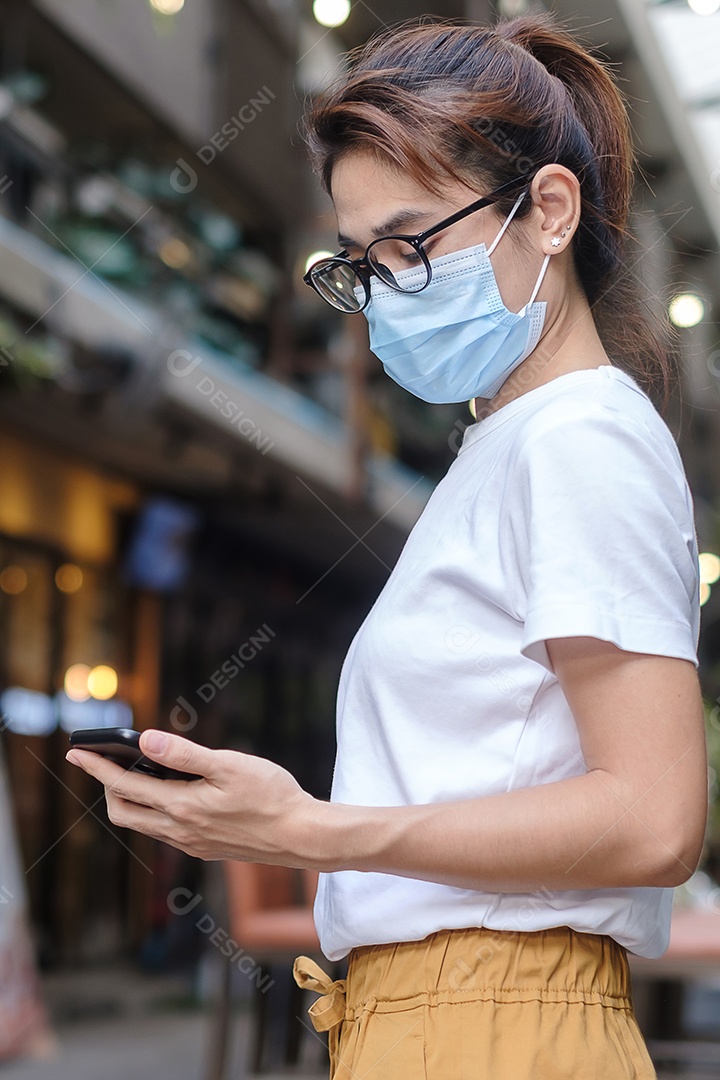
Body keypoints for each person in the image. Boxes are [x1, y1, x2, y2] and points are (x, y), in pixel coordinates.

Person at [67, 14, 709, 1080]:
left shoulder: (579, 441)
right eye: (362, 263)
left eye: (412, 245)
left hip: (497, 1026)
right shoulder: (508, 447)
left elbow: (653, 818)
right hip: (440, 1017)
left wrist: (315, 832)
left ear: (548, 210)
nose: (385, 291)